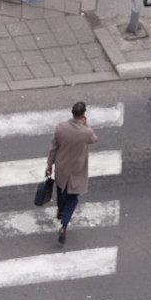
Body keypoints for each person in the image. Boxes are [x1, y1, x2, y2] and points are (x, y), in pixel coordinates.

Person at [46, 101, 98, 245]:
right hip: (77, 169)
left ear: (71, 111)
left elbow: (53, 148)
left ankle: (60, 210)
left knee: (60, 189)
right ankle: (64, 225)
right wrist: (85, 125)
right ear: (84, 114)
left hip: (62, 166)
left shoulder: (60, 127)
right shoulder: (86, 132)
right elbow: (94, 139)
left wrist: (49, 164)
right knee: (73, 197)